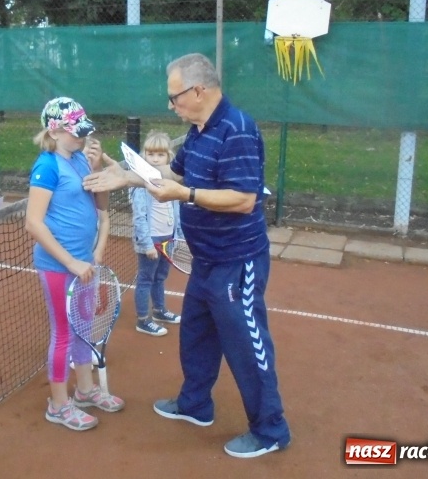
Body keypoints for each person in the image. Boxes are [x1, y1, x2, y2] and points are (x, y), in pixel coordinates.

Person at [83, 53, 291, 458]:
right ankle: (196, 405)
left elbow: (244, 199)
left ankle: (271, 429)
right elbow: (175, 175)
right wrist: (131, 177)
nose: (170, 104)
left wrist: (186, 195)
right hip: (205, 259)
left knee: (247, 345)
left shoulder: (238, 130)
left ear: (199, 90)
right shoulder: (198, 130)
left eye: (174, 96)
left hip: (236, 260)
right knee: (196, 335)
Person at [25, 96, 125, 431]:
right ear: (55, 130)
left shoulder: (82, 159)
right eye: (76, 131)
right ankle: (58, 405)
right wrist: (70, 262)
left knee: (83, 329)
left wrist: (99, 169)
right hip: (58, 267)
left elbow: (103, 196)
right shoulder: (47, 166)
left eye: (84, 130)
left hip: (84, 263)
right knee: (64, 333)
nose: (82, 137)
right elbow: (34, 223)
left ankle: (84, 391)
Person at [130, 130, 183, 336]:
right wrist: (146, 244)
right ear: (144, 155)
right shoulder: (141, 184)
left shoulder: (171, 181)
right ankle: (143, 320)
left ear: (168, 156)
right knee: (146, 279)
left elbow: (176, 210)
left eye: (160, 155)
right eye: (151, 154)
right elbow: (139, 217)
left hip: (167, 237)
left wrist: (177, 235)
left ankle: (159, 310)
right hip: (150, 241)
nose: (155, 159)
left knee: (160, 277)